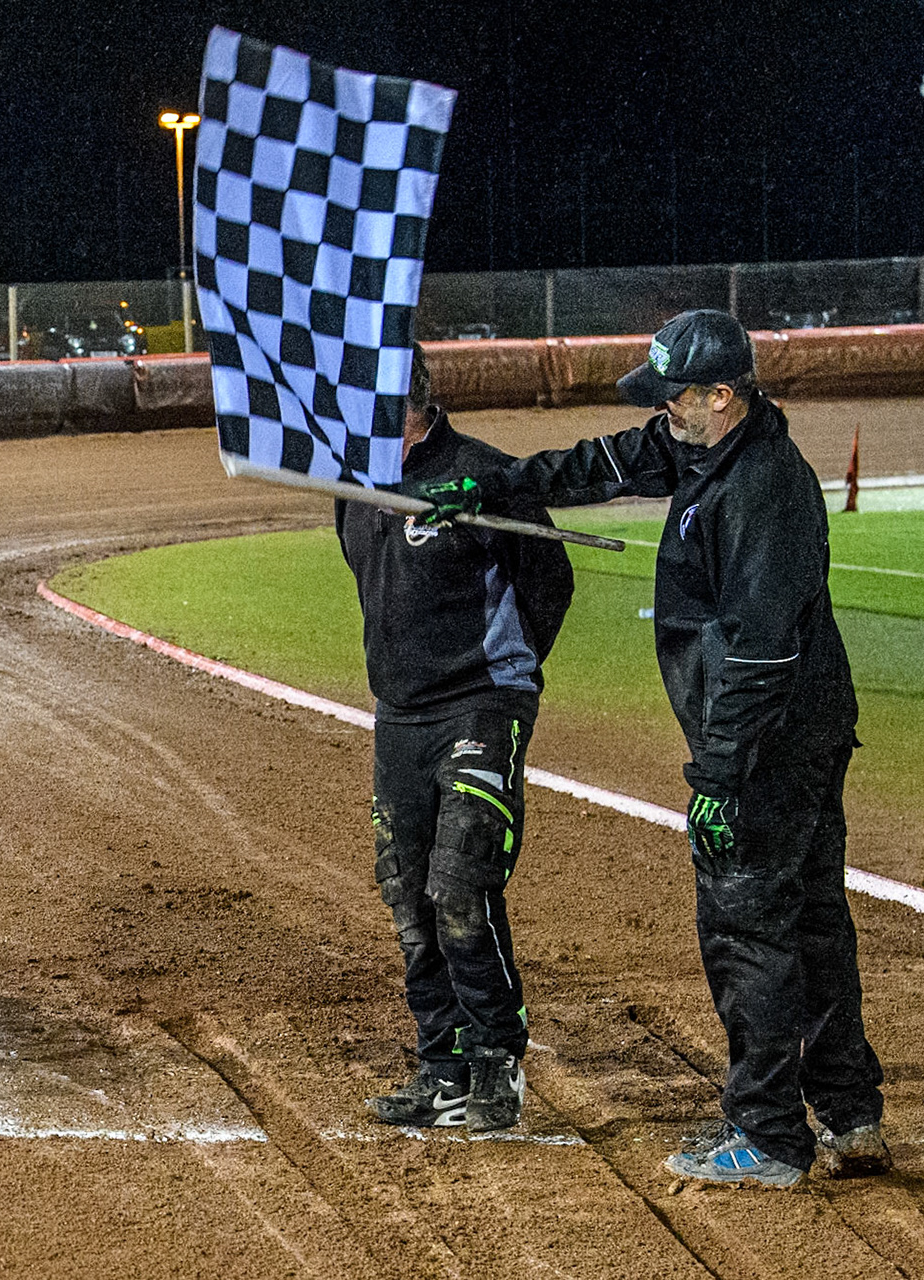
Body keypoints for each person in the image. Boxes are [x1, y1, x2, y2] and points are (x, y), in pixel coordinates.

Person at [422, 309, 888, 1185]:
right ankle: (851, 1114)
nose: (662, 413)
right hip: (797, 734)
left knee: (748, 929)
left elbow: (761, 653)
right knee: (816, 922)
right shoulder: (706, 445)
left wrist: (717, 775)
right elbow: (607, 463)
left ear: (723, 394)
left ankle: (770, 1135)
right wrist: (500, 487)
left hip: (770, 744)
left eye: (675, 398)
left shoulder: (762, 492)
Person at [340, 344, 575, 1133]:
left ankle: (497, 1061)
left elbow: (550, 578)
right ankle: (441, 1068)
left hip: (479, 707)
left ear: (402, 403)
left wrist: (505, 675)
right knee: (409, 899)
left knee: (460, 891)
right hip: (398, 716)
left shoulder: (481, 476)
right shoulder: (353, 485)